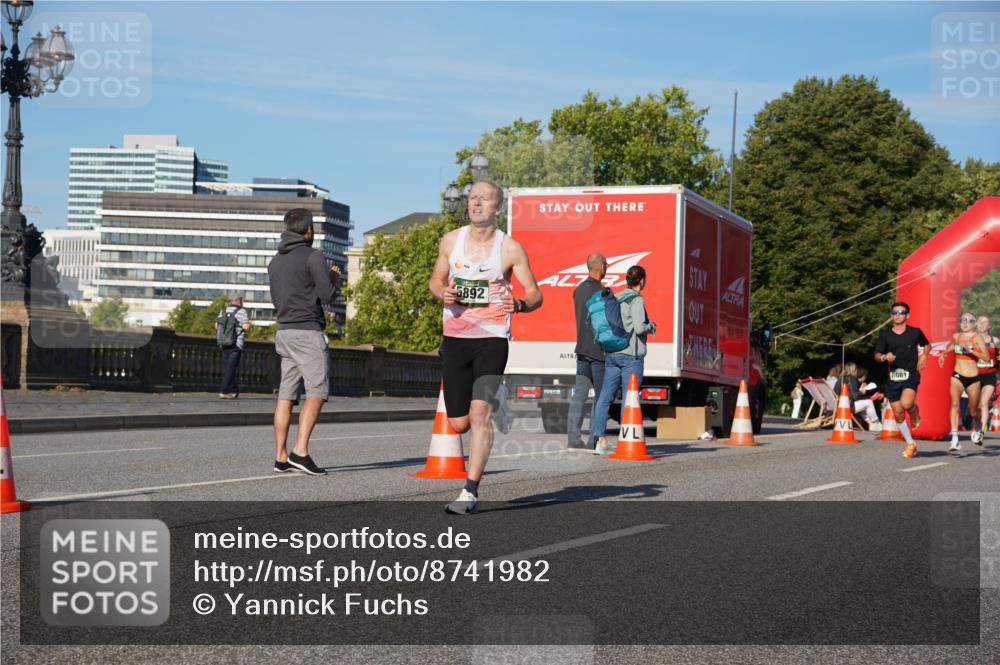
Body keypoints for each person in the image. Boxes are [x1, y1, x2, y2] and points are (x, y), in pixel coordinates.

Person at [428, 179, 542, 515]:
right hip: (456, 338)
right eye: (473, 198)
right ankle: (497, 401)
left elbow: (536, 294)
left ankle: (470, 491)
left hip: (492, 339)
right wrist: (442, 292)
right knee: (459, 423)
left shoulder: (510, 249)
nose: (477, 203)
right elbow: (436, 279)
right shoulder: (451, 241)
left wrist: (519, 305)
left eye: (485, 199)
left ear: (498, 208)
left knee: (479, 416)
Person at [267, 207, 342, 476]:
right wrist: (333, 279)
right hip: (308, 332)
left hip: (284, 331)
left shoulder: (274, 261)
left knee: (286, 395)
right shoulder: (313, 256)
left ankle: (281, 456)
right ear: (308, 230)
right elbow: (326, 296)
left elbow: (276, 300)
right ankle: (301, 452)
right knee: (317, 392)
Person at [589, 265, 655, 455]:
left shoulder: (616, 297)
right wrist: (651, 326)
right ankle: (626, 439)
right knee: (630, 398)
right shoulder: (636, 300)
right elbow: (640, 327)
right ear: (642, 281)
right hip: (630, 356)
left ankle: (600, 439)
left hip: (612, 353)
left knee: (605, 397)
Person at [874, 302, 929, 458]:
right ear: (891, 315)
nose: (897, 315)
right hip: (893, 377)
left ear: (907, 315)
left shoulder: (915, 332)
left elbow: (927, 345)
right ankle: (910, 443)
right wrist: (885, 356)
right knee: (898, 413)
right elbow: (877, 355)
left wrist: (924, 355)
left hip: (911, 374)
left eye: (901, 312)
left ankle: (913, 410)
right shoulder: (886, 335)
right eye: (895, 312)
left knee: (906, 404)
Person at [567, 253, 608, 451]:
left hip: (581, 350)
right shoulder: (603, 292)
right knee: (600, 395)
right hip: (598, 351)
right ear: (600, 267)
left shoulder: (578, 290)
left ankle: (573, 439)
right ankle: (594, 438)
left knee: (579, 396)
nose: (607, 267)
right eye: (605, 264)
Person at [939, 312, 991, 451]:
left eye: (969, 320)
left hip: (973, 378)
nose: (965, 323)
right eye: (962, 320)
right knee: (955, 404)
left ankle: (979, 427)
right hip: (957, 375)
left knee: (973, 412)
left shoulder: (977, 337)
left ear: (974, 324)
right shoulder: (957, 336)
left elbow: (986, 358)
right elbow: (952, 346)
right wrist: (944, 353)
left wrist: (971, 350)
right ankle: (955, 439)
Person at [214, 292, 251, 399]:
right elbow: (246, 327)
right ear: (238, 300)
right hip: (236, 344)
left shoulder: (223, 311)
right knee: (231, 368)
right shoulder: (242, 311)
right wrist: (246, 326)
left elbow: (216, 326)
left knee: (228, 368)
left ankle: (234, 390)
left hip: (224, 343)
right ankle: (223, 391)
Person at [833, 363, 881, 431]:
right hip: (847, 406)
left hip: (838, 405)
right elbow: (855, 396)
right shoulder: (851, 379)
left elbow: (848, 393)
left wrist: (860, 392)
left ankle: (871, 424)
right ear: (853, 370)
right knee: (869, 402)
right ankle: (876, 422)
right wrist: (863, 392)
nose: (857, 371)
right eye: (856, 369)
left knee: (863, 405)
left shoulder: (840, 379)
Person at [976, 314, 998, 436]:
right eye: (979, 322)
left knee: (984, 403)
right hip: (974, 376)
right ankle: (978, 423)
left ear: (989, 326)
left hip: (989, 375)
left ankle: (981, 431)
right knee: (974, 406)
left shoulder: (995, 341)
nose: (982, 324)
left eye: (985, 322)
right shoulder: (971, 339)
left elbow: (999, 361)